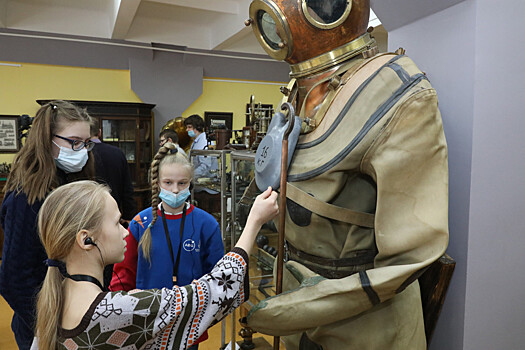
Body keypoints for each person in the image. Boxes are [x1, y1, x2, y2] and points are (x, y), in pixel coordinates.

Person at [245, 1, 449, 349]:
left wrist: (297, 308)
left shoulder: (396, 93)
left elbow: (410, 256)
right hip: (299, 307)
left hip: (366, 326)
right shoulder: (303, 89)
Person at [32, 180, 278, 350]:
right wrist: (254, 221)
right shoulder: (122, 310)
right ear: (86, 239)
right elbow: (216, 290)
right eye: (117, 223)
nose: (126, 232)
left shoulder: (56, 298)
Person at [0, 100, 95, 350]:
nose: (82, 150)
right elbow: (14, 279)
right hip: (43, 324)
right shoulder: (26, 197)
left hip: (74, 315)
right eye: (73, 142)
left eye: (86, 143)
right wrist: (49, 326)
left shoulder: (70, 180)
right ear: (47, 139)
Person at [110, 142, 225, 349]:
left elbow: (216, 276)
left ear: (191, 183)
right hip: (147, 320)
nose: (174, 190)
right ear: (157, 184)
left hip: (188, 321)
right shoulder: (140, 223)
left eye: (182, 183)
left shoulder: (207, 224)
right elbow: (123, 273)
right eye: (168, 182)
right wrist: (118, 312)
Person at [90, 121, 136, 288]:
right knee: (112, 265)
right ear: (100, 132)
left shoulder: (82, 155)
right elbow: (127, 190)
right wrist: (130, 217)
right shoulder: (117, 153)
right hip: (114, 218)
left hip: (88, 219)